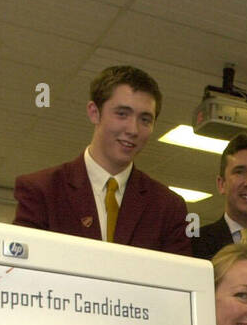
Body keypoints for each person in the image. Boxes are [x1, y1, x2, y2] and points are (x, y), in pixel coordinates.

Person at [12, 65, 190, 255]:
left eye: (145, 119)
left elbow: (178, 280)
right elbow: (23, 274)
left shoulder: (168, 207)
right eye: (122, 114)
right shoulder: (41, 190)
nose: (133, 130)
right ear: (94, 112)